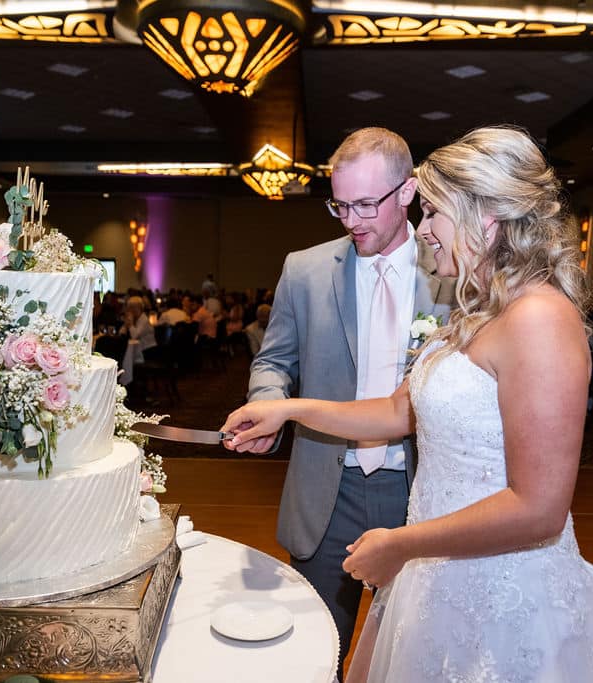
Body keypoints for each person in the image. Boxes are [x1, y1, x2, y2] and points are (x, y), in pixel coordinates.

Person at [224, 126, 593, 682]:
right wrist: (288, 409)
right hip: (436, 569)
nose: (422, 231)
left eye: (433, 214)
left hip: (497, 581)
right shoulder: (481, 312)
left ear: (486, 218)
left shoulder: (540, 319)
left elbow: (540, 508)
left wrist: (403, 544)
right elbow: (399, 412)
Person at [228, 127, 454, 676]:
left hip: (418, 488)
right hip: (328, 489)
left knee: (411, 654)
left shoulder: (453, 274)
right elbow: (274, 362)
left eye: (365, 204)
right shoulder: (303, 271)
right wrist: (269, 405)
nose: (351, 220)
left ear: (407, 193)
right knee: (315, 652)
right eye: (340, 205)